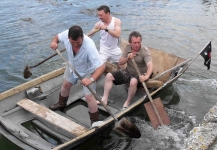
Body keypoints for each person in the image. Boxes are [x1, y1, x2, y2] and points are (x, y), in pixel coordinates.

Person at [49, 25, 105, 125]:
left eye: (78, 43)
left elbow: (101, 67)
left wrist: (91, 79)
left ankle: (95, 120)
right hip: (72, 66)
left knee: (89, 97)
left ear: (82, 37)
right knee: (66, 85)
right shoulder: (66, 34)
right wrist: (54, 42)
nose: (75, 45)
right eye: (72, 43)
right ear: (68, 37)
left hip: (88, 71)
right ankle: (61, 104)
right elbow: (57, 37)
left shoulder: (89, 47)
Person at [99, 31, 153, 109]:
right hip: (129, 70)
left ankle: (127, 102)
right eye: (134, 43)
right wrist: (127, 58)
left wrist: (146, 76)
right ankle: (104, 99)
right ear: (130, 42)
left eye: (138, 42)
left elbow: (150, 66)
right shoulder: (128, 47)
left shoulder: (145, 51)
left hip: (141, 73)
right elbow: (120, 62)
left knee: (133, 82)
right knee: (109, 76)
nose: (137, 45)